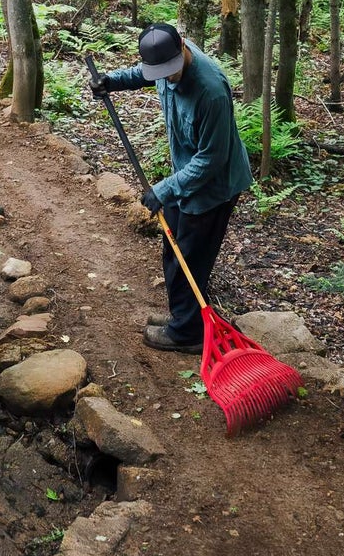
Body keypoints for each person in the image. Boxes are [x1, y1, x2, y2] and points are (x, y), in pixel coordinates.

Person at [92, 23, 253, 351]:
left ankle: (187, 334)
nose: (169, 77)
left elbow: (211, 159)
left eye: (172, 69)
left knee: (189, 257)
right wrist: (112, 81)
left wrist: (163, 190)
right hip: (187, 177)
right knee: (175, 248)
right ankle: (187, 317)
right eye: (161, 72)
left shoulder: (211, 91)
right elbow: (141, 73)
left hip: (214, 187)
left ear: (183, 45)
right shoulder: (161, 60)